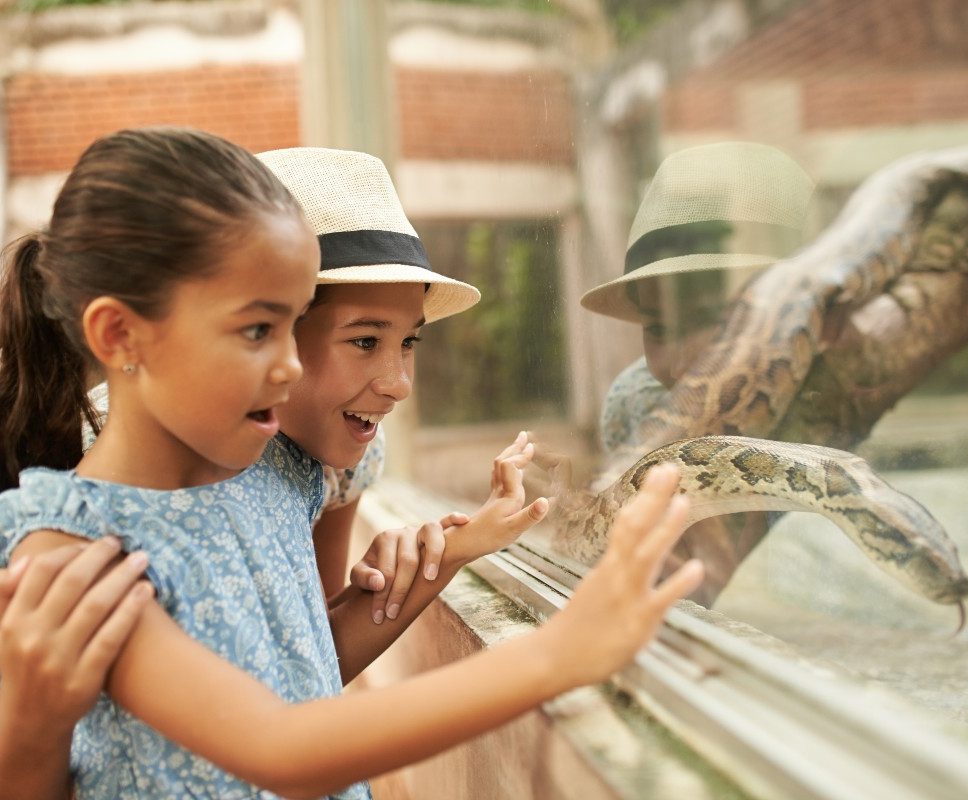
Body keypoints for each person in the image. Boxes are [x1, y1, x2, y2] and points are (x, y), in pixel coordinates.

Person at [0, 127, 705, 799]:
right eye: (258, 330)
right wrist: (557, 655)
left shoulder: (285, 474)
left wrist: (451, 553)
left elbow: (300, 675)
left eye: (290, 328)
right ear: (121, 334)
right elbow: (279, 747)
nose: (286, 365)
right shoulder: (74, 548)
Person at [576, 141, 814, 604]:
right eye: (659, 327)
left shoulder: (841, 404)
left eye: (715, 322)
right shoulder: (637, 405)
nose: (683, 365)